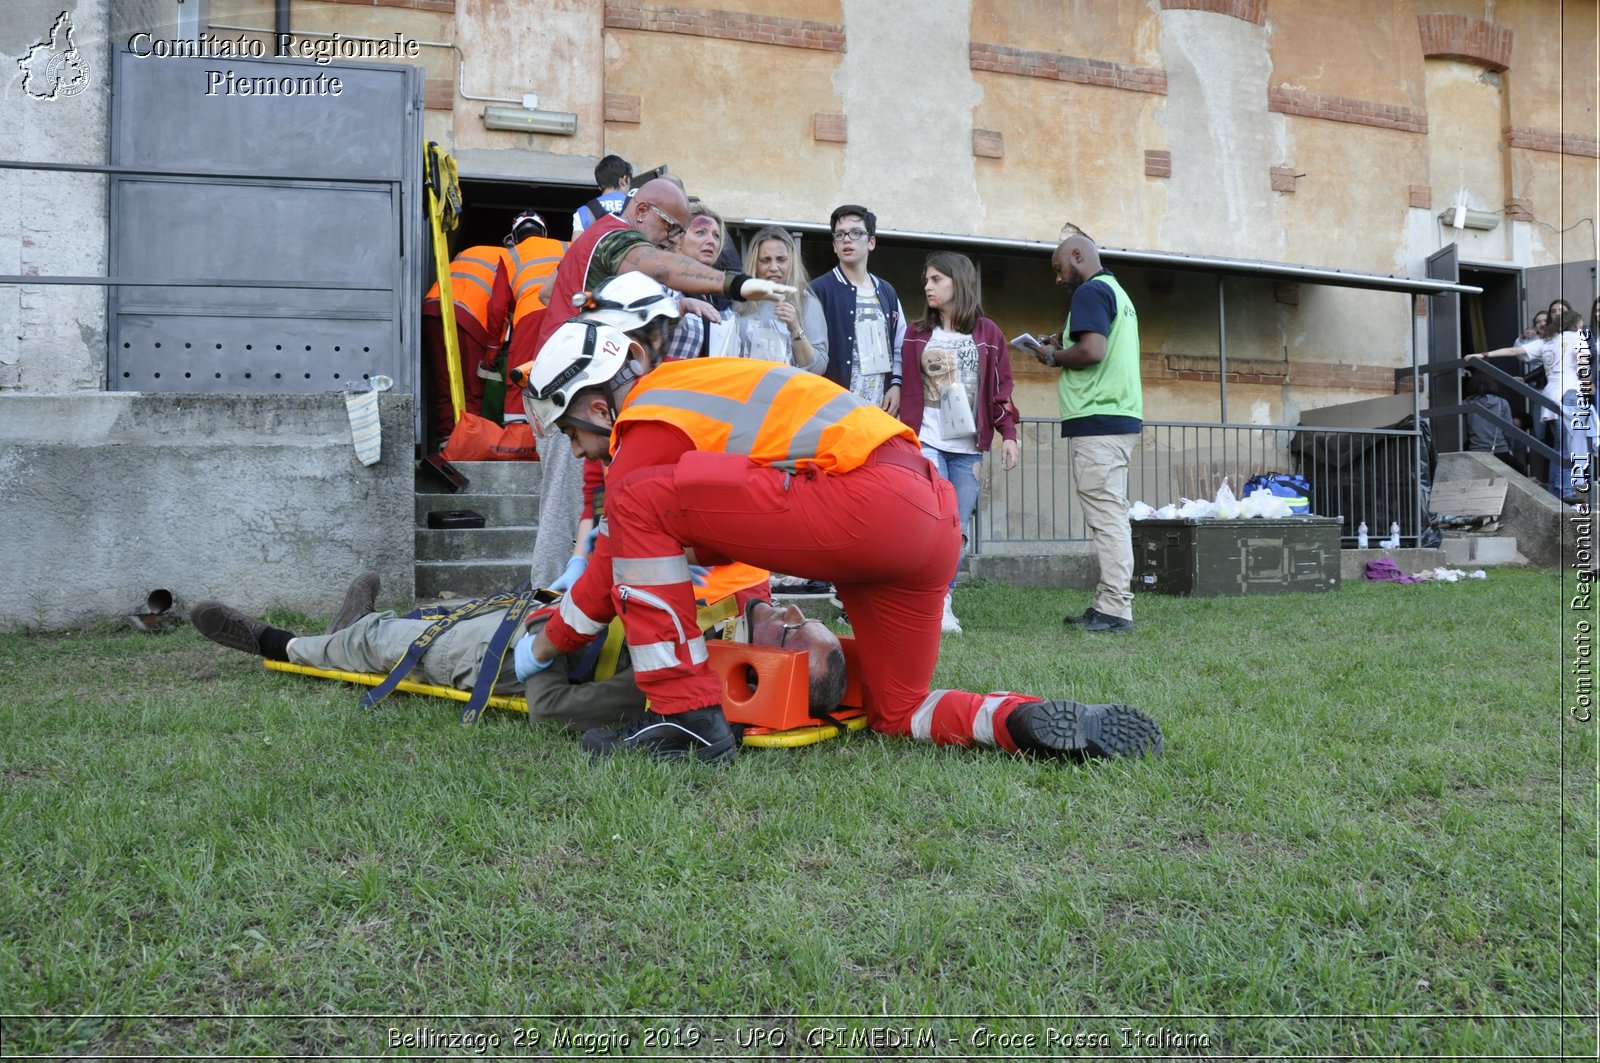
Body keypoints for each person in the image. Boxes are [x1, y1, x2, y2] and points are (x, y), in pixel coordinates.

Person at [517, 318, 1164, 765]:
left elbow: (608, 565)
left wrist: (547, 642)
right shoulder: (697, 384)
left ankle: (684, 718)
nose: (578, 452)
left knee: (634, 501)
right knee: (897, 706)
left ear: (598, 408)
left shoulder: (646, 420)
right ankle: (1015, 719)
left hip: (865, 506)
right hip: (929, 513)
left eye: (572, 435)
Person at [520, 178, 793, 589]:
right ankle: (544, 607)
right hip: (568, 392)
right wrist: (733, 283)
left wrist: (641, 303)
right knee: (567, 511)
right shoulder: (613, 235)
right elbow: (658, 265)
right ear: (643, 211)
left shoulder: (594, 246)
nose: (672, 240)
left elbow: (549, 292)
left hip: (581, 391)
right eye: (671, 229)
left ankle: (568, 606)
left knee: (586, 506)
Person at [188, 573, 836, 735]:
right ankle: (349, 627)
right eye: (803, 616)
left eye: (789, 631)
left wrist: (546, 645)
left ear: (769, 665)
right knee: (429, 617)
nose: (790, 611)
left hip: (514, 660)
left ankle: (280, 643)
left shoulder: (663, 681)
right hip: (545, 613)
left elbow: (550, 708)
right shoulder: (720, 627)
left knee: (389, 643)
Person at [897, 251, 1019, 634]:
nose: (928, 286)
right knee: (928, 524)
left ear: (958, 283)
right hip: (926, 440)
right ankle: (919, 599)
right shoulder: (917, 333)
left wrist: (1009, 435)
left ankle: (942, 601)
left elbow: (1002, 390)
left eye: (936, 279)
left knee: (956, 529)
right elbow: (902, 383)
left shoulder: (988, 334)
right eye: (927, 280)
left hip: (969, 448)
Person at [1028, 235, 1143, 634]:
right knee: (1110, 513)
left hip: (1099, 420)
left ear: (1078, 256)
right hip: (1116, 417)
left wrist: (1052, 356)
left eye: (1059, 269)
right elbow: (1096, 344)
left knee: (1107, 517)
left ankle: (1114, 609)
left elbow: (1092, 351)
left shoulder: (1090, 292)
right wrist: (1061, 342)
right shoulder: (1116, 292)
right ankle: (1110, 604)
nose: (1059, 279)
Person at [1470, 308, 1587, 500]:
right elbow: (1582, 362)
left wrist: (1484, 354)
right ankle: (1563, 490)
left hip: (1549, 395)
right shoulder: (1575, 338)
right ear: (1574, 324)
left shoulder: (1546, 342)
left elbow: (1514, 350)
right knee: (1568, 446)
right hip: (1569, 393)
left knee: (1559, 445)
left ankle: (1557, 490)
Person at [420, 232, 515, 446]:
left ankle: (447, 438)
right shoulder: (512, 261)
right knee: (474, 384)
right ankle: (470, 442)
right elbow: (502, 307)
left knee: (444, 380)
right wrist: (495, 345)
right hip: (471, 315)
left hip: (434, 307)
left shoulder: (471, 250)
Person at [808, 204, 905, 414]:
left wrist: (896, 385)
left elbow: (899, 345)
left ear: (871, 242)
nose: (847, 240)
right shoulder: (818, 290)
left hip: (879, 409)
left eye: (856, 233)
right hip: (834, 408)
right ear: (834, 245)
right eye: (840, 235)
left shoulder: (887, 291)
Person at [497, 212, 570, 426]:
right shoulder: (566, 246)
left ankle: (517, 435)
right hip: (563, 316)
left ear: (516, 236)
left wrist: (494, 346)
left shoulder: (509, 255)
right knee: (562, 371)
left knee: (520, 374)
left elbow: (499, 305)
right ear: (544, 232)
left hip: (528, 316)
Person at [734, 226, 828, 373]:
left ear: (791, 262)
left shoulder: (806, 304)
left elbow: (818, 368)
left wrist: (795, 328)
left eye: (781, 259)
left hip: (787, 393)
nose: (774, 267)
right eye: (765, 260)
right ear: (755, 263)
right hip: (744, 392)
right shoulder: (739, 302)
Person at [571, 154, 632, 237]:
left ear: (600, 187)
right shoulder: (639, 207)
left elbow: (576, 249)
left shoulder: (584, 212)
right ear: (623, 180)